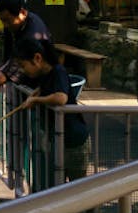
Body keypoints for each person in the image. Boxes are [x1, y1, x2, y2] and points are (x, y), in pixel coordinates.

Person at [14, 37, 90, 184]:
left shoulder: (58, 71)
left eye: (23, 65)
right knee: (57, 183)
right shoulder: (45, 74)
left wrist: (35, 100)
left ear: (37, 58)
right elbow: (44, 88)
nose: (23, 70)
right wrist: (37, 93)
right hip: (58, 139)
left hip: (74, 140)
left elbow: (61, 98)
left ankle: (87, 208)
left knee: (78, 185)